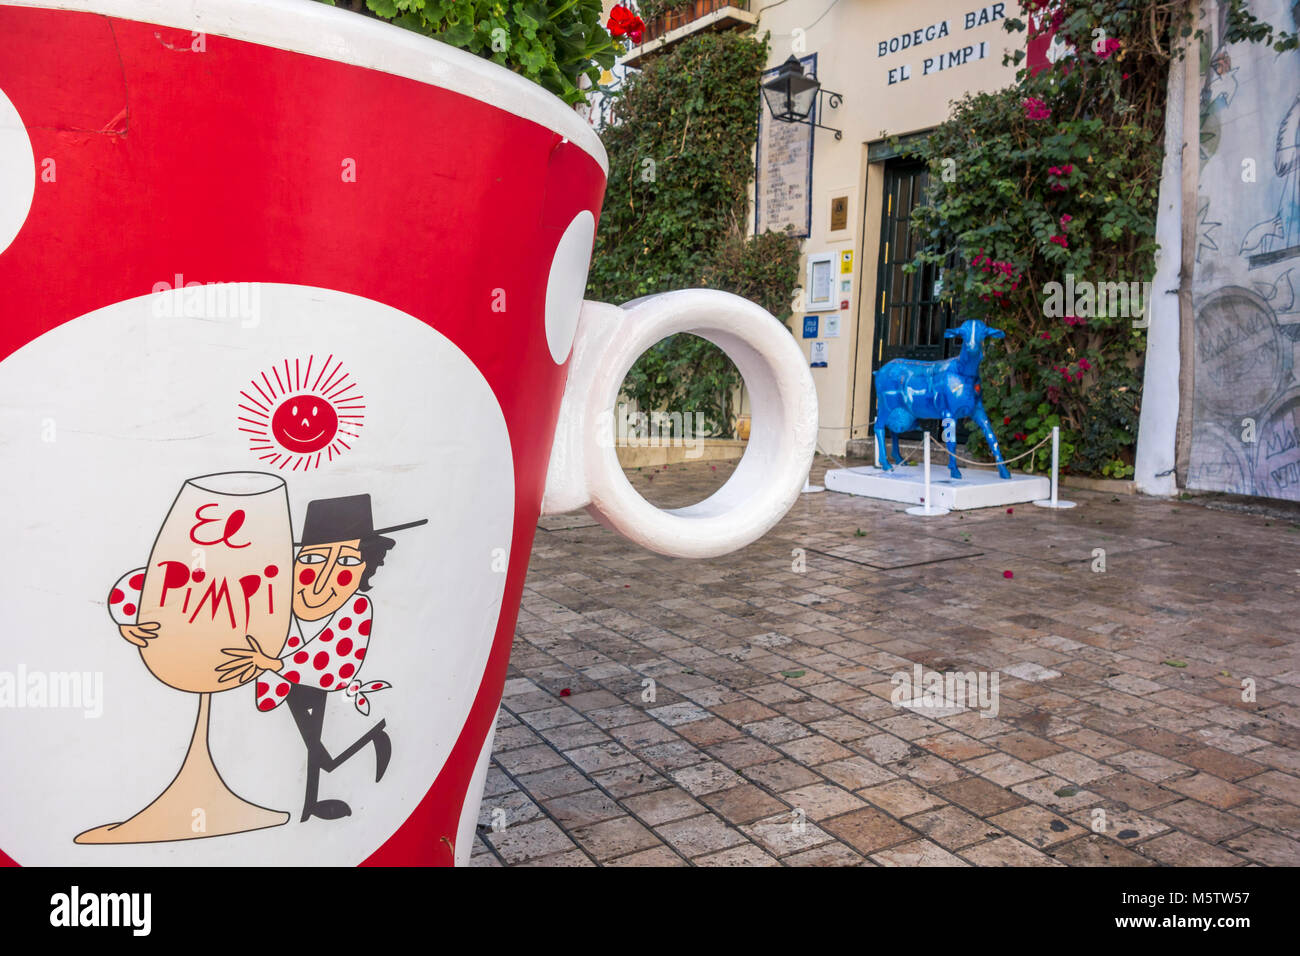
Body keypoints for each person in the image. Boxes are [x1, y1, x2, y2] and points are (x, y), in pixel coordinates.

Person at [110, 494, 426, 822]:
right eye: (313, 559)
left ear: (366, 568)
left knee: (312, 747)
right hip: (268, 684)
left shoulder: (357, 609)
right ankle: (351, 756)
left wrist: (274, 663)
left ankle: (319, 792)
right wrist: (130, 616)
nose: (324, 577)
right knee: (307, 748)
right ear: (291, 562)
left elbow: (337, 669)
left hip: (308, 684)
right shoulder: (265, 590)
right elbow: (171, 581)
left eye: (347, 562)